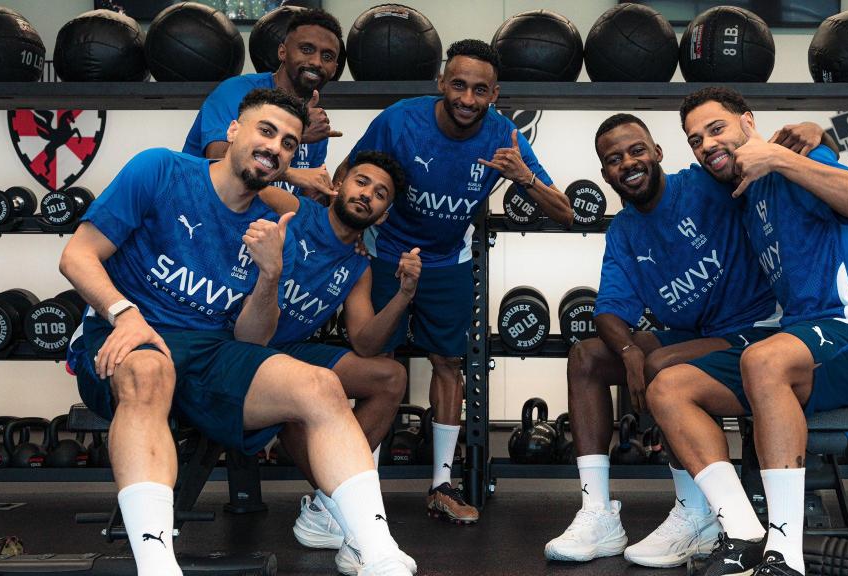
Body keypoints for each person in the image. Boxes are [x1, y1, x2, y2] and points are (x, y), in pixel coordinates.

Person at [61, 88, 414, 576]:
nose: (275, 148)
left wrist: (270, 274)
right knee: (149, 371)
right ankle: (157, 566)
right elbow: (77, 255)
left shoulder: (275, 224)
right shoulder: (161, 170)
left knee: (320, 385)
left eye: (288, 143)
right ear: (233, 130)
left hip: (212, 350)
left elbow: (251, 340)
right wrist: (124, 313)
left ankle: (378, 552)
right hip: (127, 336)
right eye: (266, 131)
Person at [544, 114, 834, 567]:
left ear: (657, 153)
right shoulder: (624, 231)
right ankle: (598, 514)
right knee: (587, 357)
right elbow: (608, 311)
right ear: (605, 174)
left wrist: (818, 132)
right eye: (615, 159)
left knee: (663, 364)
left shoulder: (703, 185)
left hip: (759, 329)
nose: (628, 163)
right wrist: (628, 352)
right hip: (695, 336)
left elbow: (761, 155)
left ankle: (698, 512)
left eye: (637, 150)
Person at [646, 86, 848, 576]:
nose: (707, 144)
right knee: (668, 387)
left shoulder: (797, 159)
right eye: (696, 139)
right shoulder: (743, 193)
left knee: (763, 359)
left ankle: (785, 556)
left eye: (716, 128)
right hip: (799, 340)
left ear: (748, 121)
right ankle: (743, 533)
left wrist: (784, 155)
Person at [340, 38, 574, 524]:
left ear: (495, 94)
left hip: (449, 259)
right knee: (377, 365)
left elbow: (565, 212)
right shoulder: (400, 120)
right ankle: (361, 487)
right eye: (459, 85)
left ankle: (441, 485)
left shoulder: (505, 137)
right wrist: (351, 232)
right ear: (441, 82)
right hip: (387, 250)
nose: (468, 99)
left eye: (480, 90)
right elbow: (348, 173)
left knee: (448, 363)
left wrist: (524, 177)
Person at [259, 151, 421, 575]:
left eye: (380, 194)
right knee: (303, 394)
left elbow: (365, 342)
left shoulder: (358, 266)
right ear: (340, 184)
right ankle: (353, 520)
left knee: (390, 376)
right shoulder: (296, 209)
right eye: (361, 182)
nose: (367, 195)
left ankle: (327, 508)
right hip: (243, 344)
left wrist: (404, 295)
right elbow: (239, 180)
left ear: (384, 214)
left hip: (287, 348)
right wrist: (293, 173)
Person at [183, 8, 344, 201]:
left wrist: (327, 198)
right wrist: (297, 136)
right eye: (306, 49)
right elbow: (219, 159)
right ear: (283, 52)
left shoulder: (316, 123)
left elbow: (308, 191)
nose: (317, 62)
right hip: (200, 208)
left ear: (334, 69)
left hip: (265, 217)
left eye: (327, 57)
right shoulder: (235, 92)